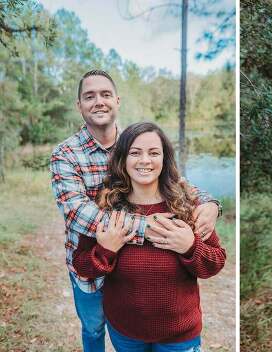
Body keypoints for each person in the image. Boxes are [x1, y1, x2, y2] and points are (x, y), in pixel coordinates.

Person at [50, 70, 221, 352]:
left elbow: (177, 182)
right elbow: (76, 213)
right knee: (94, 327)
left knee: (130, 316)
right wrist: (148, 227)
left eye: (105, 94)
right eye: (89, 96)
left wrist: (211, 204)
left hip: (168, 321)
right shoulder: (65, 154)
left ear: (117, 101)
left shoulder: (136, 141)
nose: (98, 101)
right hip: (94, 251)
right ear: (78, 105)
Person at [72, 121, 227, 351]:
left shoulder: (186, 204)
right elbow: (82, 265)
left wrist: (190, 247)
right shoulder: (107, 208)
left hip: (179, 335)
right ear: (123, 159)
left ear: (164, 159)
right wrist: (106, 251)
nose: (145, 160)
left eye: (154, 153)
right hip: (125, 332)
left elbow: (215, 262)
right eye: (135, 153)